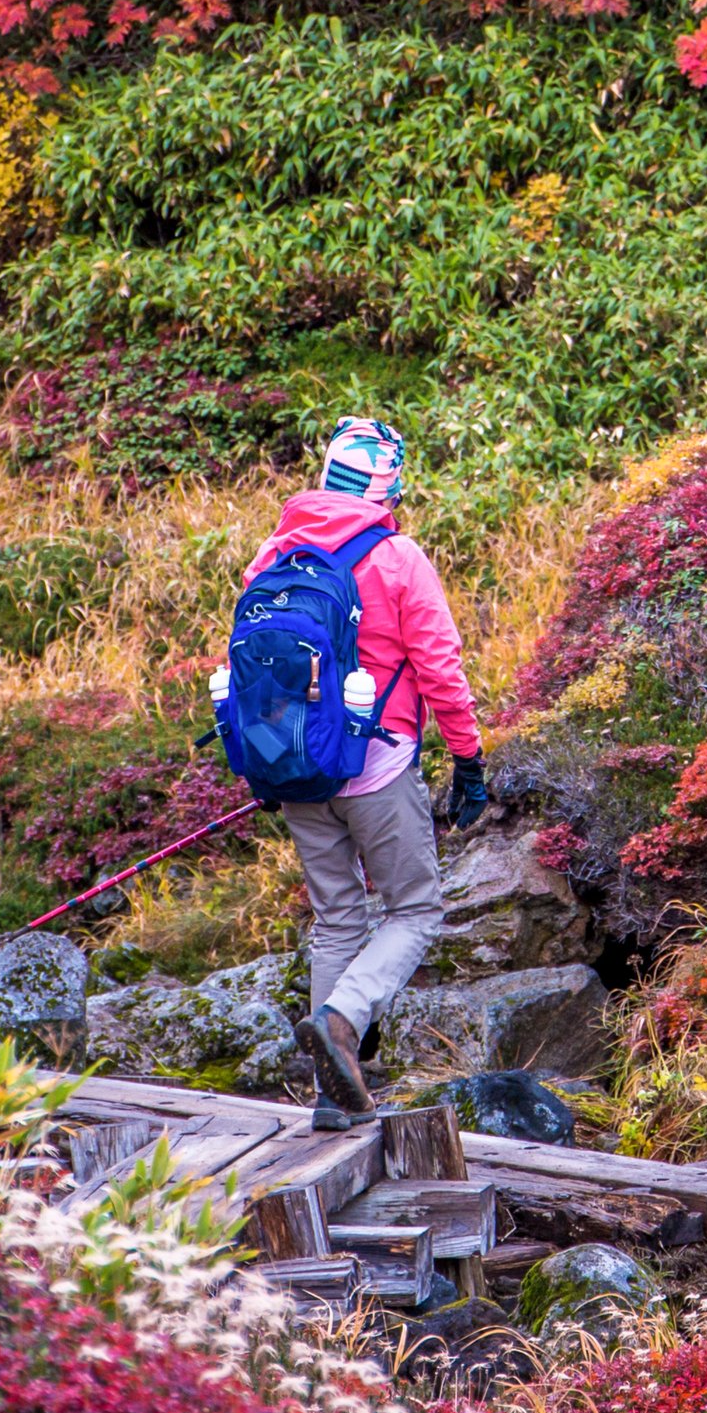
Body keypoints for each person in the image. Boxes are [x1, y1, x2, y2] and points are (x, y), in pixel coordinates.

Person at [256, 416, 489, 1116]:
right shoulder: (397, 557)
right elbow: (440, 669)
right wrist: (469, 760)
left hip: (295, 766)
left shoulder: (273, 554)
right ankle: (344, 1019)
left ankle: (333, 1100)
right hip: (378, 766)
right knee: (416, 910)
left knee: (336, 920)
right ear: (390, 487)